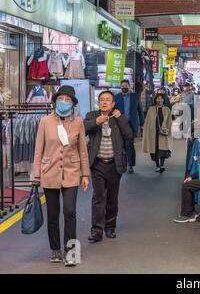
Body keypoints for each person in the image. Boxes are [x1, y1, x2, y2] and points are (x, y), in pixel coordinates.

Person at [33, 85, 90, 266]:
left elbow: (83, 151)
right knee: (53, 214)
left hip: (71, 173)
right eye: (61, 99)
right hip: (49, 173)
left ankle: (71, 251)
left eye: (68, 100)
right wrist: (36, 175)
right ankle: (56, 249)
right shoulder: (45, 122)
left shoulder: (78, 122)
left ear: (72, 104)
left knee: (70, 211)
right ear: (55, 101)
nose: (64, 102)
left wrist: (85, 174)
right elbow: (38, 151)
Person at [84, 91, 133, 243]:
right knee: (98, 197)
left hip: (114, 164)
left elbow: (128, 135)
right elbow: (83, 129)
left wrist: (120, 119)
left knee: (112, 198)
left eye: (108, 100)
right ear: (98, 103)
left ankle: (110, 227)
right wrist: (96, 122)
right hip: (97, 164)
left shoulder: (118, 117)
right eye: (102, 100)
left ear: (113, 104)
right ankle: (96, 231)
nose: (104, 102)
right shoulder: (92, 115)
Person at [114, 80, 145, 174]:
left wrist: (142, 124)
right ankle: (122, 163)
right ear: (120, 87)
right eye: (122, 86)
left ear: (129, 86)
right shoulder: (116, 97)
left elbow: (140, 110)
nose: (124, 87)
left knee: (129, 145)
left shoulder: (135, 97)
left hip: (131, 125)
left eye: (126, 86)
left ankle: (130, 165)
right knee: (120, 145)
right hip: (119, 124)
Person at [143, 93, 173, 173]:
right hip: (153, 133)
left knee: (163, 150)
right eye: (158, 98)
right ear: (155, 99)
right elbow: (147, 122)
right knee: (154, 149)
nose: (160, 100)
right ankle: (157, 165)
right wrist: (146, 131)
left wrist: (169, 130)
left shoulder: (167, 109)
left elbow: (169, 121)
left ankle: (162, 165)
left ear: (164, 99)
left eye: (161, 98)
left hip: (163, 133)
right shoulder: (151, 109)